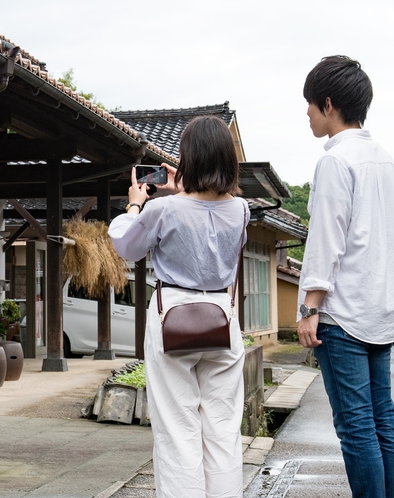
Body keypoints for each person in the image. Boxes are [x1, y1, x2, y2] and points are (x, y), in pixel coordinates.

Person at [109, 115, 250, 497]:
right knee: (222, 428)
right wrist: (184, 187)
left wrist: (135, 205)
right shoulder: (242, 210)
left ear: (188, 158)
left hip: (173, 318)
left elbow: (126, 245)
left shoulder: (163, 210)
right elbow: (209, 212)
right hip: (222, 319)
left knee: (177, 429)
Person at [296, 55, 394, 498]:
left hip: (341, 317)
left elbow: (326, 242)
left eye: (308, 105)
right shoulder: (391, 164)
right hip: (379, 312)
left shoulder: (335, 163)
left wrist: (309, 308)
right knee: (383, 418)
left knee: (355, 426)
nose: (306, 114)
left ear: (328, 104)